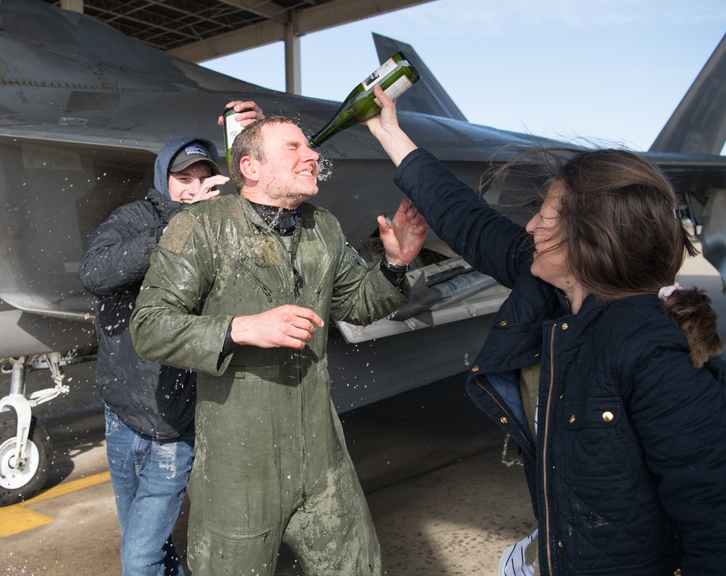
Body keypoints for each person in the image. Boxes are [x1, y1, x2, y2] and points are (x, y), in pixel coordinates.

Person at [363, 84, 726, 575]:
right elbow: (468, 220)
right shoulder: (556, 292)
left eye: (546, 216)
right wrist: (390, 133)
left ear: (587, 240)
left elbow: (714, 519)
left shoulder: (655, 353)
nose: (530, 227)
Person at [129, 114, 429, 575]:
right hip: (239, 467)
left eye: (309, 148)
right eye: (294, 148)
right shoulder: (202, 226)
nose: (312, 156)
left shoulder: (322, 226)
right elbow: (149, 326)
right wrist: (240, 329)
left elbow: (356, 305)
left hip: (323, 457)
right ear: (250, 167)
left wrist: (393, 264)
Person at [79, 133, 233, 575]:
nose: (193, 188)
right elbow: (95, 273)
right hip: (122, 417)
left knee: (139, 557)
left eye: (203, 178)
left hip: (175, 424)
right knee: (149, 545)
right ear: (162, 178)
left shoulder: (220, 229)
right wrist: (177, 225)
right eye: (183, 178)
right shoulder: (133, 219)